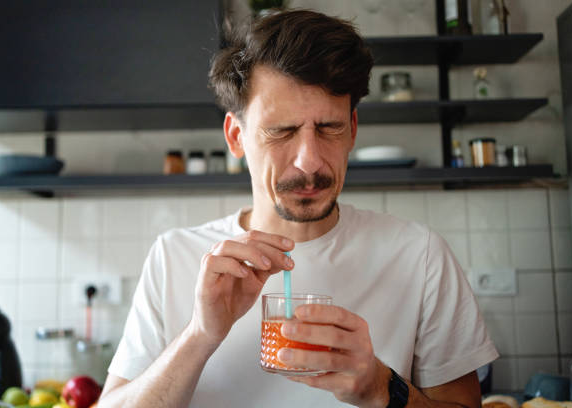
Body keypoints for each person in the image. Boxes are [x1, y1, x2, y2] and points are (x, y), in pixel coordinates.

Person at [99, 9, 498, 408]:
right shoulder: (175, 258)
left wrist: (382, 388)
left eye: (329, 128)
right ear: (236, 138)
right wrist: (200, 334)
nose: (309, 161)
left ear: (353, 130)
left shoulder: (421, 255)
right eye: (282, 131)